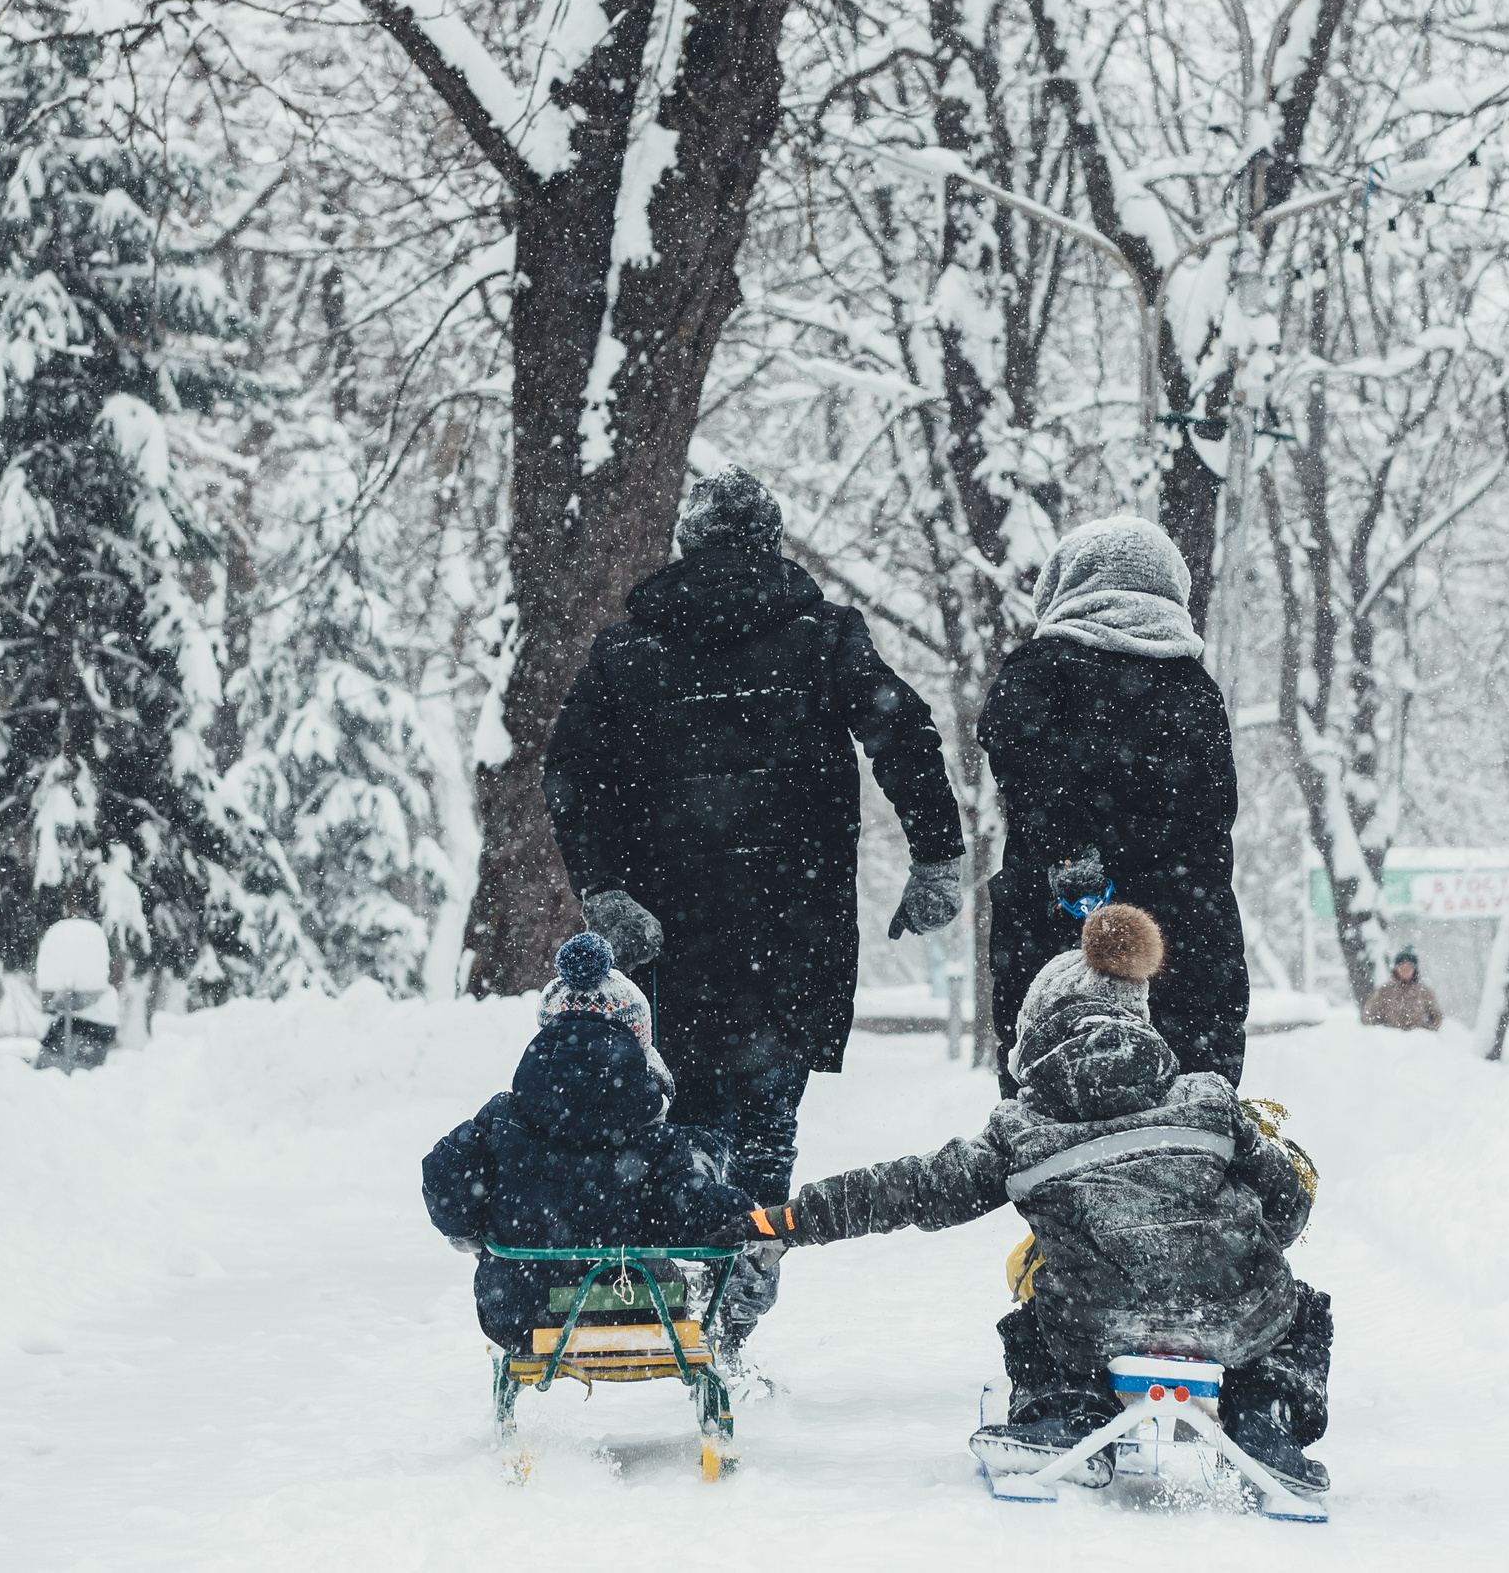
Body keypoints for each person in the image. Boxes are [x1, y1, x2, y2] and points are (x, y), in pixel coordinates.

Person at [543, 464, 967, 1347]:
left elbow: (571, 772)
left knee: (689, 1111)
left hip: (673, 931)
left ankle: (696, 1284)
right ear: (771, 540)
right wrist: (935, 854)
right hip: (794, 925)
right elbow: (903, 731)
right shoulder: (823, 636)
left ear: (688, 544)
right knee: (770, 1121)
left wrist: (605, 885)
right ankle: (742, 1291)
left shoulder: (628, 652)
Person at [724, 903, 1333, 1494]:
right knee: (1302, 1312)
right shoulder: (1208, 1100)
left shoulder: (1024, 1129)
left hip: (1097, 1322)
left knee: (1038, 1313)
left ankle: (1067, 1414)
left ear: (1037, 1030)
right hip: (1235, 1315)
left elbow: (910, 1189)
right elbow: (1287, 1207)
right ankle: (1267, 1422)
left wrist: (786, 1220)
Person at [979, 515, 1249, 1092]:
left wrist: (1072, 856)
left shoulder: (1039, 671)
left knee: (1053, 1088)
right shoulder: (1193, 687)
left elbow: (1027, 770)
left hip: (1063, 920)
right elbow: (1214, 815)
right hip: (1186, 925)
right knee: (1188, 1093)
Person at [421, 934, 752, 1351]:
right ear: (637, 1044)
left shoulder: (502, 1121)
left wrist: (472, 1231)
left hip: (522, 1315)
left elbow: (445, 1178)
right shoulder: (652, 1139)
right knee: (664, 1269)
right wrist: (740, 1210)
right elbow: (692, 1215)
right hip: (638, 1311)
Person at [1363, 949, 1443, 1030]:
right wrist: (1382, 1031)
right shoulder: (1383, 991)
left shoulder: (1424, 993)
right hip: (1389, 1037)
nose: (1405, 969)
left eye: (1409, 966)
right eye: (1402, 966)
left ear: (1414, 969)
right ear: (1396, 968)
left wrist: (1424, 1032)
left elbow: (1436, 1017)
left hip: (1417, 1037)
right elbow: (1369, 1016)